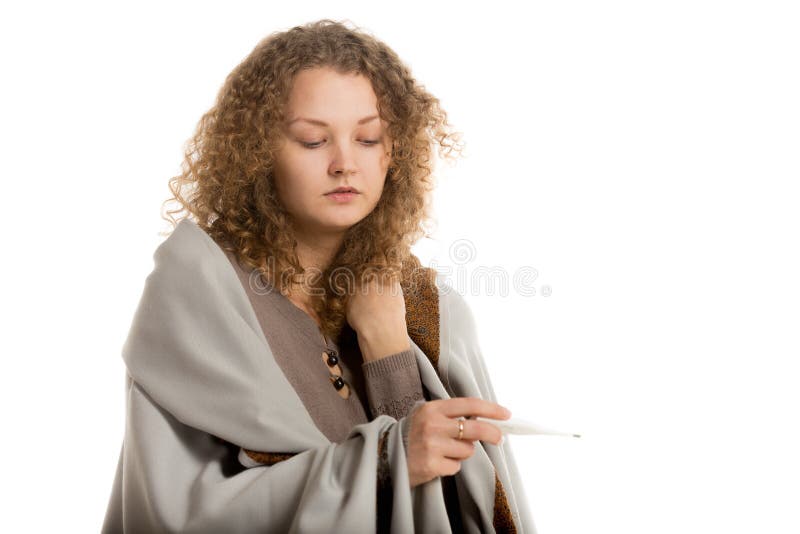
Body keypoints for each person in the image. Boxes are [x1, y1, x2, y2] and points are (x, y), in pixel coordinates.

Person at [101, 18, 536, 533]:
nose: (345, 164)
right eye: (313, 141)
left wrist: (389, 353)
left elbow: (455, 513)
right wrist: (383, 460)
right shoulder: (199, 293)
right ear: (258, 152)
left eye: (369, 138)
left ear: (393, 152)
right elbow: (180, 515)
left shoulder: (428, 308)